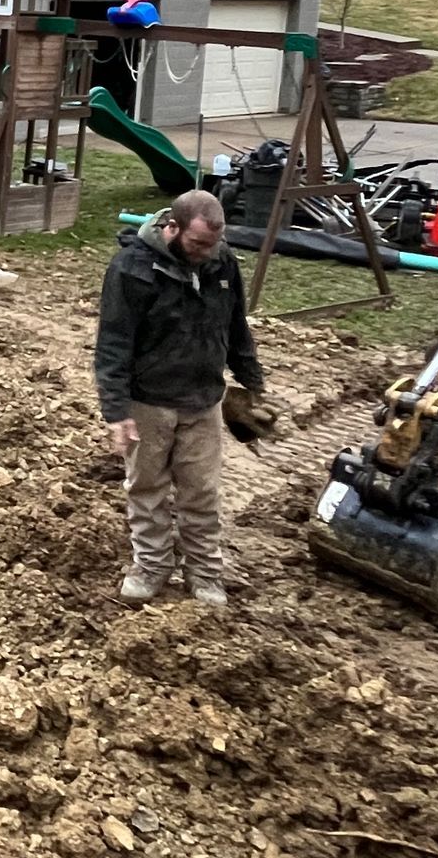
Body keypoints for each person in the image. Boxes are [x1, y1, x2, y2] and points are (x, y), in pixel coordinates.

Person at [93, 189, 265, 608]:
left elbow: (235, 323)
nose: (206, 254)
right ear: (172, 227)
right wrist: (116, 411)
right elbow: (113, 342)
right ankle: (151, 567)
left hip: (203, 398)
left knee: (201, 493)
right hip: (148, 401)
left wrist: (251, 380)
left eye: (213, 245)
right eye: (197, 244)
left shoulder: (221, 262)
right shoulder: (132, 269)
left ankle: (204, 573)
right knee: (147, 489)